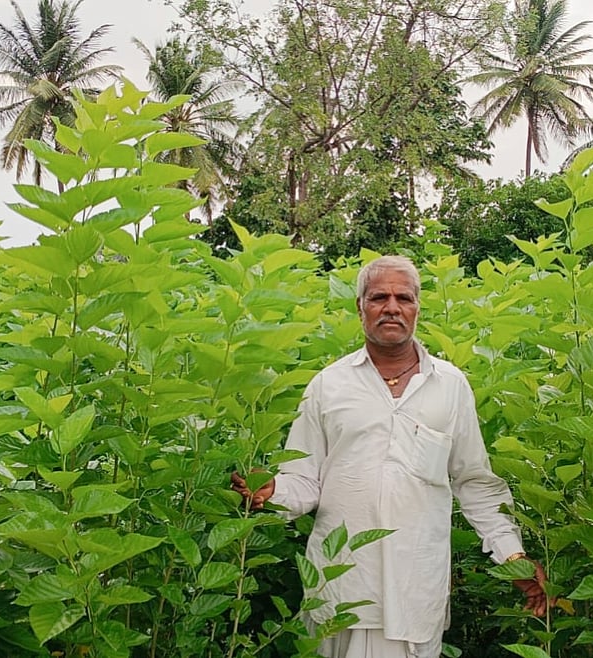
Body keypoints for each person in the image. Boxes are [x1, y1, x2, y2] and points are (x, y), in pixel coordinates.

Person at [231, 255, 550, 658]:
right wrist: (270, 491)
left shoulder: (450, 386)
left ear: (418, 307)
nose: (392, 307)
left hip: (416, 589)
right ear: (360, 307)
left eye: (404, 297)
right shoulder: (328, 385)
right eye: (379, 297)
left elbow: (473, 483)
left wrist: (513, 557)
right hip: (341, 584)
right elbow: (304, 481)